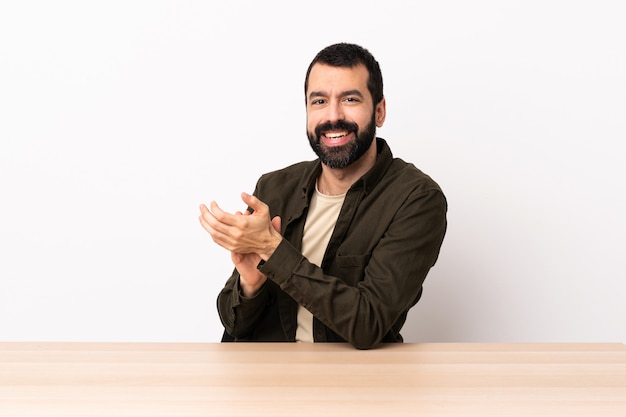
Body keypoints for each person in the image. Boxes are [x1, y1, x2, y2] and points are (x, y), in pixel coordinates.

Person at [199, 42, 447, 350]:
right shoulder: (275, 187)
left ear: (379, 111)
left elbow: (368, 324)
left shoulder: (416, 200)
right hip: (264, 381)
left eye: (350, 99)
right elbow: (233, 324)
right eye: (319, 101)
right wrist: (251, 283)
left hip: (351, 384)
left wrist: (272, 250)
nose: (333, 116)